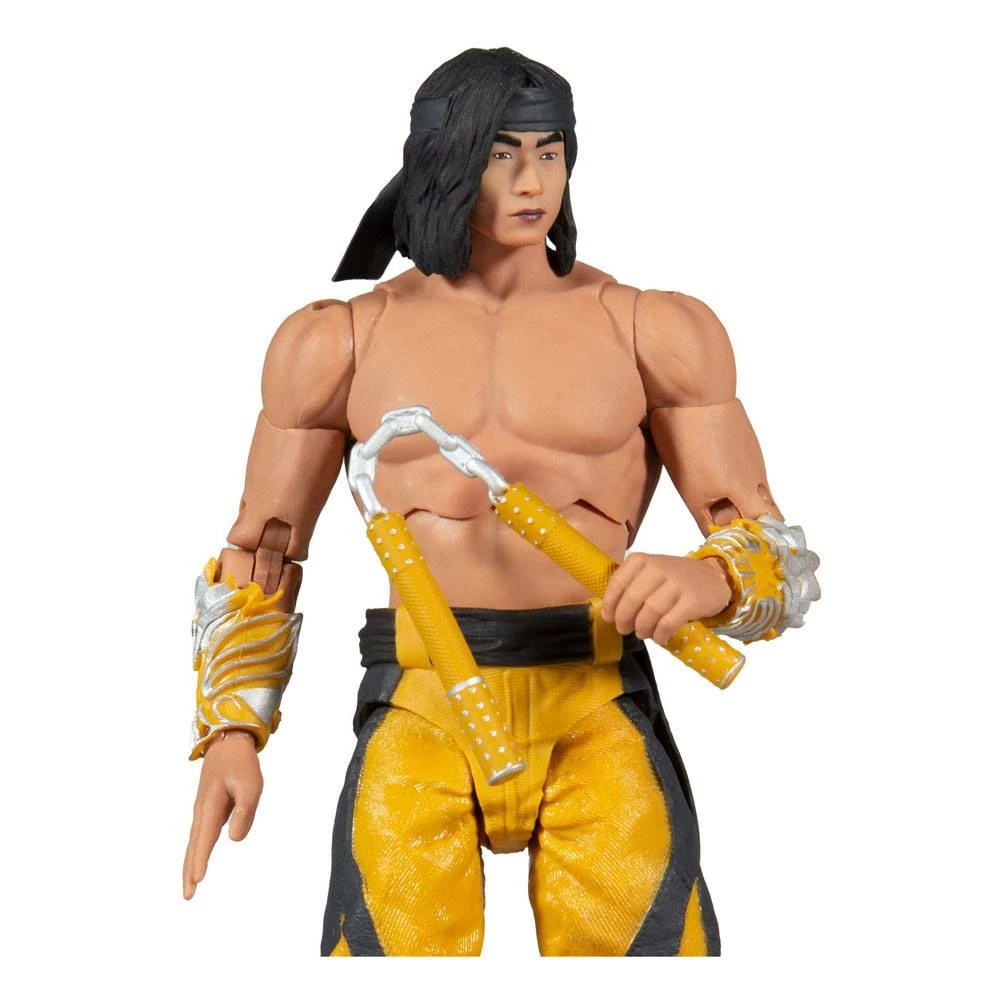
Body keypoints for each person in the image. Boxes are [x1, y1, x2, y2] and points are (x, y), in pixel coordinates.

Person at [182, 47, 819, 957]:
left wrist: (710, 579)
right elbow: (263, 551)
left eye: (550, 152)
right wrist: (232, 728)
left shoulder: (655, 331)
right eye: (502, 154)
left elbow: (773, 550)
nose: (533, 181)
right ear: (444, 163)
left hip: (594, 694)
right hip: (421, 698)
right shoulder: (340, 342)